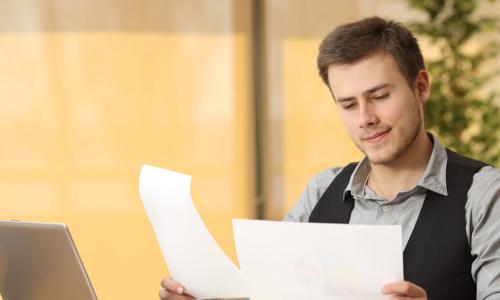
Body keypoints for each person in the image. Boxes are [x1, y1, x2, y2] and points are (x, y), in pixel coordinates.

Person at [158, 16, 500, 300]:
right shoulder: (321, 190)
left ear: (421, 87)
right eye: (348, 104)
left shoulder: (484, 194)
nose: (365, 118)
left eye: (379, 96)